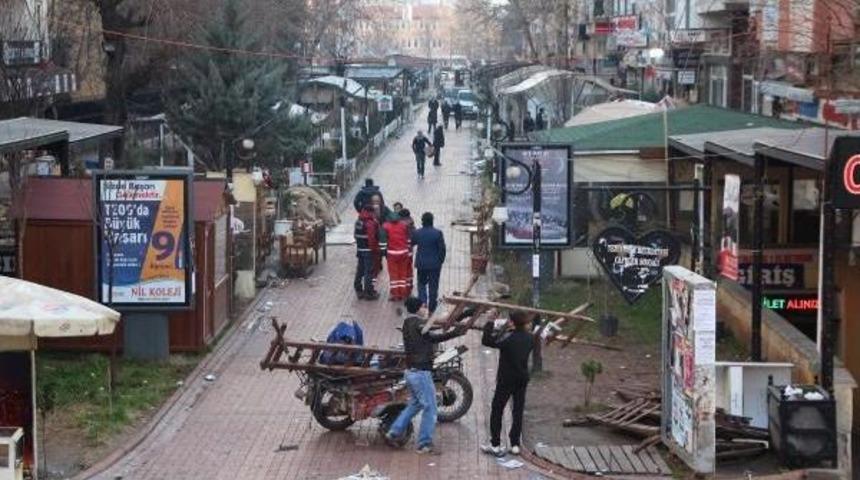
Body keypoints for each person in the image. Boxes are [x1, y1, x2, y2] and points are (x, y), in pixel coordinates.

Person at [386, 296, 467, 453]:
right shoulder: (418, 323)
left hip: (411, 373)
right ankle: (424, 444)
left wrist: (461, 316)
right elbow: (433, 337)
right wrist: (455, 333)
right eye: (424, 306)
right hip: (421, 373)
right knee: (430, 408)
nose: (426, 309)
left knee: (415, 405)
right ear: (418, 308)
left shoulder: (408, 323)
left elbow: (433, 329)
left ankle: (394, 432)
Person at [480, 311, 535, 457]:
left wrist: (490, 322)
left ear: (512, 322)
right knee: (517, 410)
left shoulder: (508, 338)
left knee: (497, 408)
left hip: (506, 379)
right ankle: (515, 443)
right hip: (522, 378)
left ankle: (495, 444)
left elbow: (487, 341)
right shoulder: (530, 338)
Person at [411, 212, 445, 314]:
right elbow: (442, 249)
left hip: (421, 264)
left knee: (421, 284)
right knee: (433, 286)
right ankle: (432, 307)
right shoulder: (438, 233)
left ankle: (422, 303)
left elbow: (412, 242)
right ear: (432, 221)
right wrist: (440, 261)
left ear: (422, 221)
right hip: (435, 265)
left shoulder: (417, 233)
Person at [383, 210, 413, 301]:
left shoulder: (386, 226)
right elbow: (408, 239)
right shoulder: (404, 225)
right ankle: (403, 293)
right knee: (403, 273)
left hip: (392, 254)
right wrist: (408, 251)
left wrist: (384, 253)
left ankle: (395, 294)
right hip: (403, 253)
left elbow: (383, 242)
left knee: (394, 275)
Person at [354, 205, 381, 300]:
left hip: (360, 249)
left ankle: (358, 289)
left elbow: (355, 236)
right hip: (368, 250)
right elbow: (372, 239)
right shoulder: (371, 223)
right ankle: (368, 292)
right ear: (371, 212)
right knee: (368, 271)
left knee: (360, 270)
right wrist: (375, 250)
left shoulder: (358, 221)